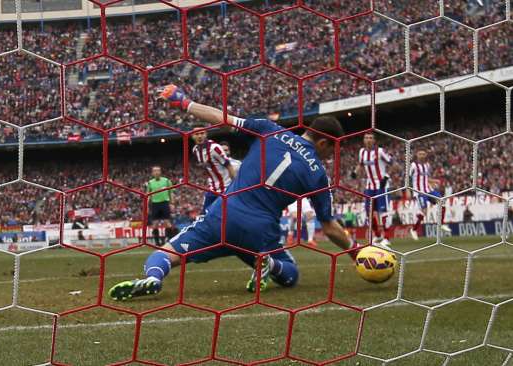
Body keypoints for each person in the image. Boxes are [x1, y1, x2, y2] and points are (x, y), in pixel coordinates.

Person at [108, 85, 357, 300]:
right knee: (290, 273)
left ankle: (154, 278)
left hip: (223, 215)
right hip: (259, 232)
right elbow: (330, 227)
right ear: (324, 142)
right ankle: (269, 264)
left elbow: (221, 117)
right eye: (333, 150)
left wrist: (182, 101)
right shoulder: (317, 174)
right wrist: (357, 252)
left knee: (166, 254)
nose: (332, 156)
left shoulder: (269, 129)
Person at [352, 132, 392, 246]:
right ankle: (378, 235)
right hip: (369, 186)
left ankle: (387, 237)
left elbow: (392, 163)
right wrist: (355, 172)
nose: (368, 140)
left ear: (374, 140)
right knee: (369, 213)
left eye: (370, 138)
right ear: (364, 140)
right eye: (366, 138)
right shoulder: (362, 152)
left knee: (383, 212)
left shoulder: (380, 151)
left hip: (382, 185)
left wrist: (386, 176)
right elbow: (360, 164)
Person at [409, 149, 451, 240]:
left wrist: (434, 181)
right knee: (424, 211)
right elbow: (408, 178)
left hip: (428, 190)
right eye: (420, 153)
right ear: (417, 155)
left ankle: (441, 224)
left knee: (442, 201)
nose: (422, 155)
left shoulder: (427, 165)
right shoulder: (413, 165)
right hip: (419, 192)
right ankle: (414, 229)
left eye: (423, 154)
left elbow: (425, 178)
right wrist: (409, 190)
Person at [191, 129, 236, 213]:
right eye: (196, 134)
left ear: (206, 134)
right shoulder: (195, 150)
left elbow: (228, 165)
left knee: (226, 214)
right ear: (192, 136)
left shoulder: (214, 148)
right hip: (213, 189)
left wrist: (235, 186)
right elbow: (207, 167)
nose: (200, 136)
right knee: (205, 215)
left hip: (225, 189)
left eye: (202, 133)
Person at [145, 166, 173, 246]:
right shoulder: (150, 183)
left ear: (160, 172)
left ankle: (169, 241)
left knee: (167, 222)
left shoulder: (166, 181)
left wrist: (172, 203)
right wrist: (146, 206)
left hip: (165, 203)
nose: (156, 172)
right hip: (155, 204)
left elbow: (171, 192)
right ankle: (157, 243)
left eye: (158, 171)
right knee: (155, 224)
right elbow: (148, 195)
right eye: (155, 171)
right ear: (152, 173)